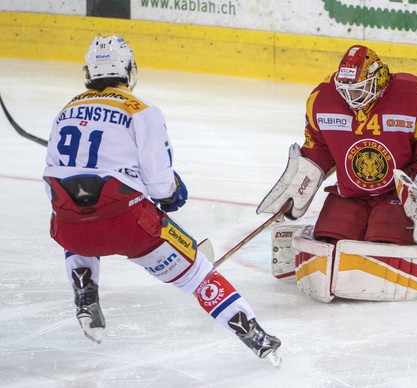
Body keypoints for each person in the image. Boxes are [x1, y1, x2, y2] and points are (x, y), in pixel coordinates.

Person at [43, 35, 281, 363]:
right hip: (129, 228)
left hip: (69, 231)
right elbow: (160, 185)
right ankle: (256, 337)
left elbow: (54, 184)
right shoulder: (141, 111)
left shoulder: (65, 111)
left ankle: (85, 295)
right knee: (198, 275)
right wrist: (171, 195)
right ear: (129, 69)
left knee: (76, 208)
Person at [257, 45, 417, 302]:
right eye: (348, 90)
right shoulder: (321, 100)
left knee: (387, 242)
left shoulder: (415, 97)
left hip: (399, 197)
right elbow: (319, 145)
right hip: (351, 194)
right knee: (329, 237)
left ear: (380, 78)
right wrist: (303, 178)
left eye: (360, 89)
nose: (353, 97)